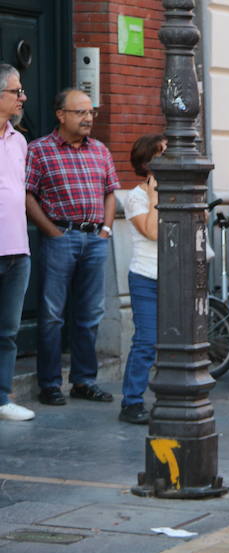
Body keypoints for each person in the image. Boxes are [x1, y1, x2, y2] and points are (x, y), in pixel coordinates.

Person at [25, 88, 118, 407]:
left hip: (95, 240)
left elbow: (110, 192)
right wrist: (51, 231)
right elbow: (28, 195)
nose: (88, 118)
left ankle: (84, 381)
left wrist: (106, 229)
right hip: (60, 238)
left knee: (90, 314)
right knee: (52, 315)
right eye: (80, 112)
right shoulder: (39, 151)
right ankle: (50, 384)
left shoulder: (101, 151)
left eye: (91, 112)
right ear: (60, 115)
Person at [119, 134, 167, 425]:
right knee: (146, 341)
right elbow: (152, 231)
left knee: (174, 344)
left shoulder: (179, 191)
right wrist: (154, 197)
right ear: (149, 161)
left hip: (175, 278)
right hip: (146, 278)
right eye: (163, 152)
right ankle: (131, 402)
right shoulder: (137, 196)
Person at [0, 64, 34, 421]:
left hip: (17, 250)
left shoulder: (20, 140)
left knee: (8, 331)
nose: (22, 97)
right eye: (16, 91)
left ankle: (1, 399)